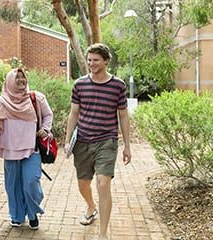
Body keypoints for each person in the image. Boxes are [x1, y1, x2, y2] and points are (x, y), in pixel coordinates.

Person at [63, 43, 132, 240]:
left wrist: (127, 145)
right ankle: (91, 206)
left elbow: (123, 116)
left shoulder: (118, 85)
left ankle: (102, 234)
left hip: (107, 141)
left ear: (106, 61)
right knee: (83, 184)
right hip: (83, 140)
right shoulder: (80, 84)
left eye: (96, 60)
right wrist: (67, 141)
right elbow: (74, 113)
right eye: (90, 60)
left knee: (103, 183)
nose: (92, 63)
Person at [0, 68, 53, 230]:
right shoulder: (2, 102)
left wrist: (45, 129)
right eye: (16, 77)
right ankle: (17, 215)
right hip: (10, 149)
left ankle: (32, 213)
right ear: (9, 81)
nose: (21, 80)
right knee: (13, 185)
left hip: (32, 149)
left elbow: (48, 115)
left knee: (31, 182)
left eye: (23, 77)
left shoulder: (36, 98)